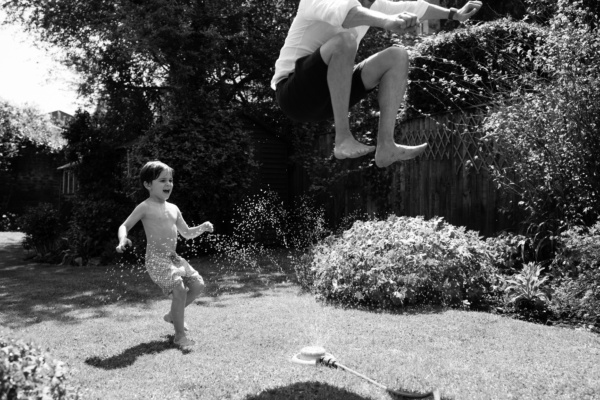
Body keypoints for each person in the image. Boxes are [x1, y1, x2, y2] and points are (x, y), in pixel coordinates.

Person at [272, 0, 482, 167]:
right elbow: (347, 14)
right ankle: (343, 137)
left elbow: (417, 7)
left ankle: (386, 146)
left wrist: (454, 14)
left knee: (397, 55)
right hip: (294, 94)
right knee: (345, 41)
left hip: (329, 99)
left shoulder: (375, 6)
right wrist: (387, 21)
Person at [116, 160, 213, 347]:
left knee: (198, 285)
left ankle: (172, 315)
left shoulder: (174, 208)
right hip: (156, 259)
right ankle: (179, 336)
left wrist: (201, 228)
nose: (168, 184)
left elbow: (186, 233)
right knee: (178, 288)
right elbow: (124, 225)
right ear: (148, 185)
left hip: (173, 258)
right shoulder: (144, 206)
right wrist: (122, 239)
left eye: (170, 180)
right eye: (162, 180)